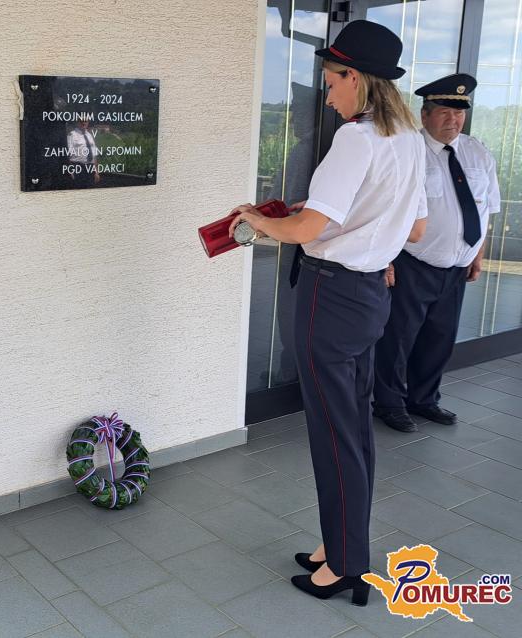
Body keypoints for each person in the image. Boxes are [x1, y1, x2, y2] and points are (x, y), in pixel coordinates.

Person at [229, 20, 427, 605]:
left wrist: (258, 221)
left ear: (356, 78)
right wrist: (341, 227)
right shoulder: (408, 138)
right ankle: (342, 545)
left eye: (333, 80)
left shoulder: (356, 139)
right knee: (354, 428)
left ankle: (344, 565)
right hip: (368, 295)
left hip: (331, 297)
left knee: (333, 432)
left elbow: (307, 230)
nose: (328, 91)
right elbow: (414, 227)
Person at [373, 74, 501, 432]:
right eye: (444, 112)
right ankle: (388, 404)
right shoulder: (408, 151)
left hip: (457, 266)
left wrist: (477, 255)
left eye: (459, 113)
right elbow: (387, 211)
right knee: (398, 338)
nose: (453, 120)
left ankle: (424, 399)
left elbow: (486, 209)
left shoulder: (477, 152)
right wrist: (386, 259)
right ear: (425, 114)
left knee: (439, 339)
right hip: (412, 263)